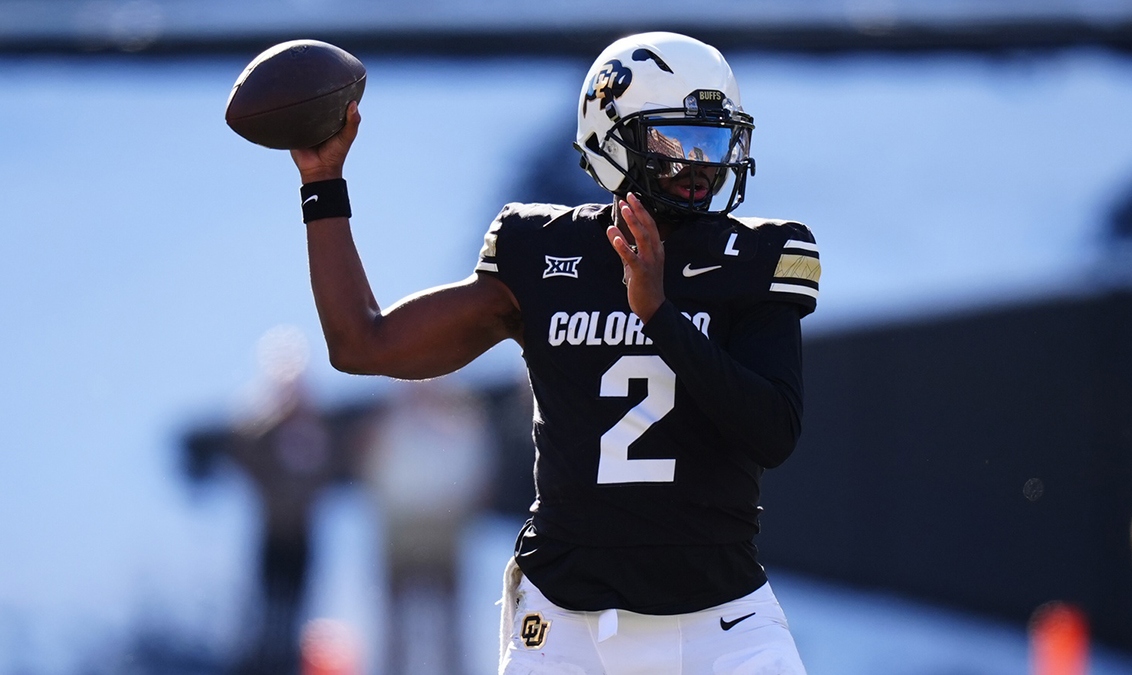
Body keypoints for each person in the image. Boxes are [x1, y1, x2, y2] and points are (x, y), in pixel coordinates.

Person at [289, 31, 819, 674]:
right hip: (566, 627)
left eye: (715, 141)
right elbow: (361, 344)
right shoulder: (538, 251)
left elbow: (773, 432)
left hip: (721, 623)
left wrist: (659, 316)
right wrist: (322, 180)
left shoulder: (757, 258)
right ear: (611, 138)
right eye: (679, 142)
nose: (702, 164)